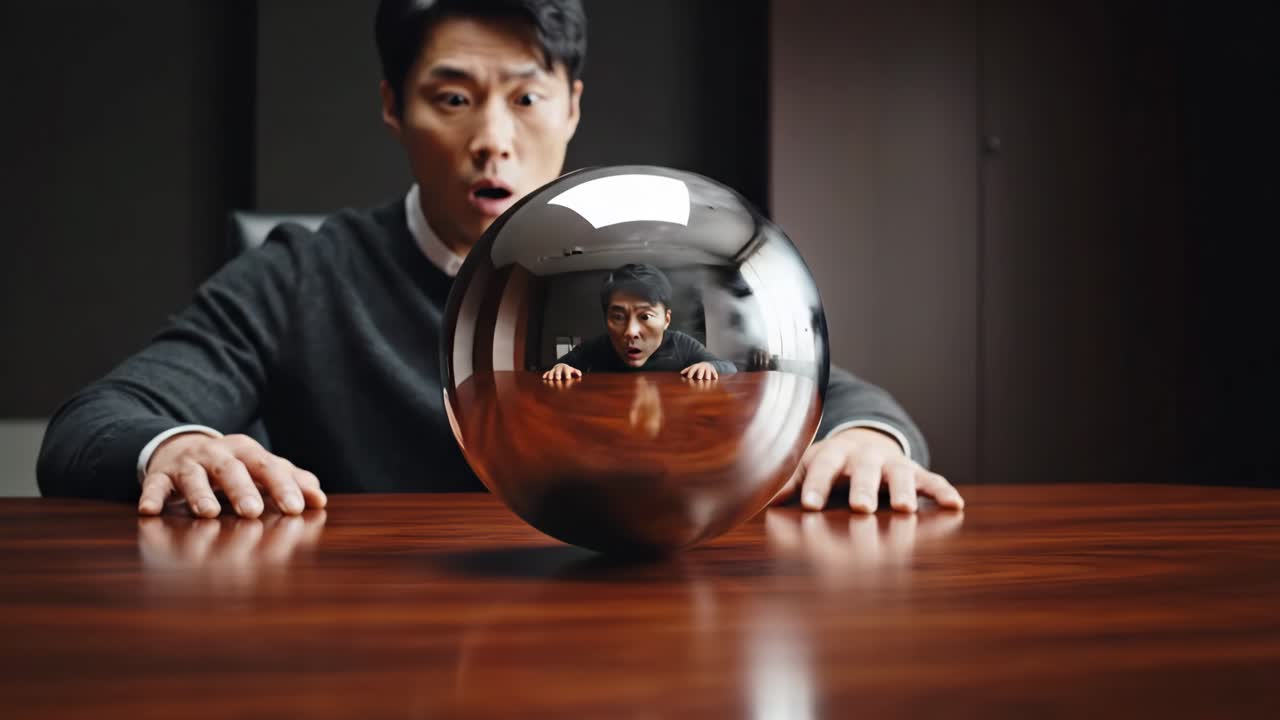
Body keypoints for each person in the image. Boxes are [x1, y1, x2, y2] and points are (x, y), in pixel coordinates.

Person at [36, 0, 964, 518]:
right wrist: (182, 443)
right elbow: (95, 421)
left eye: (526, 100)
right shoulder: (301, 274)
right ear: (394, 108)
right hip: (382, 644)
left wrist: (867, 440)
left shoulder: (641, 270)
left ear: (572, 106)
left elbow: (830, 387)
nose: (493, 140)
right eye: (452, 98)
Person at [542, 264, 735, 381]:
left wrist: (711, 367)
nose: (630, 332)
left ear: (666, 320)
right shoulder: (598, 347)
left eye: (645, 317)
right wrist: (561, 369)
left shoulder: (681, 345)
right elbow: (557, 368)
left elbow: (728, 367)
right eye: (618, 317)